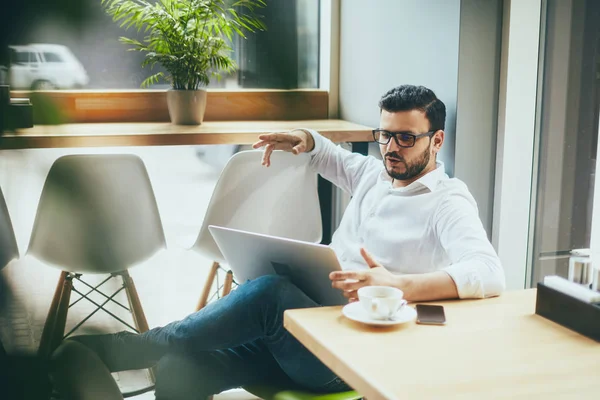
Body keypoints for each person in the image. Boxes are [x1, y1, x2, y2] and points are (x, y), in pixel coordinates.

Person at [51, 85, 505, 399]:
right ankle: (146, 352)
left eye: (405, 138)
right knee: (180, 369)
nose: (390, 147)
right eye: (384, 134)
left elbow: (488, 271)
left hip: (358, 360)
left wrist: (398, 285)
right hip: (309, 336)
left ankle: (128, 349)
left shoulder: (448, 201)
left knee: (269, 294)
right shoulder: (373, 173)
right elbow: (329, 154)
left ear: (437, 140)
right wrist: (304, 138)